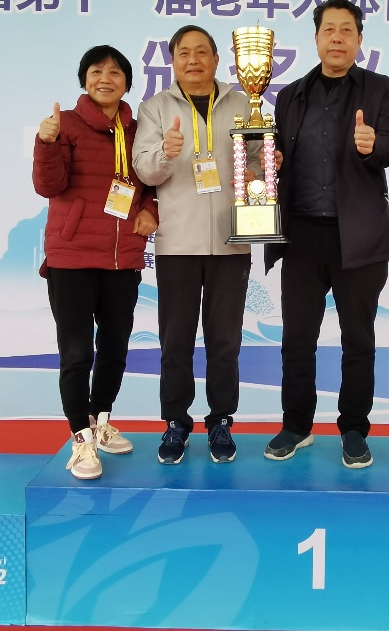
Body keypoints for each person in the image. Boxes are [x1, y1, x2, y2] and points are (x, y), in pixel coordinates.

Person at [262, 0, 389, 468]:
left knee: (358, 339)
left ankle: (354, 428)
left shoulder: (379, 89)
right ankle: (296, 425)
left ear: (360, 39)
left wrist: (373, 144)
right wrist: (272, 162)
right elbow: (278, 156)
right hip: (302, 234)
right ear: (316, 38)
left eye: (346, 30)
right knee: (297, 338)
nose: (337, 37)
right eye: (329, 29)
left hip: (358, 236)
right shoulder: (290, 95)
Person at [133, 25, 259, 465]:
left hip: (231, 240)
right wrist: (166, 152)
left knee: (225, 340)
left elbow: (258, 162)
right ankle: (176, 422)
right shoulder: (154, 108)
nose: (193, 60)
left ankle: (221, 419)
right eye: (183, 52)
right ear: (172, 61)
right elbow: (145, 171)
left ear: (216, 59)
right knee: (176, 341)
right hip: (177, 243)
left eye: (201, 52)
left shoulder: (244, 104)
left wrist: (265, 165)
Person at [33, 45, 158, 480]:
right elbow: (49, 185)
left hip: (122, 258)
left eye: (115, 72)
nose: (105, 78)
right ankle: (80, 439)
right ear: (84, 79)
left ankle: (100, 421)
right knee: (77, 352)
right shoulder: (65, 124)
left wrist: (151, 211)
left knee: (115, 348)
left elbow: (151, 183)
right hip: (71, 257)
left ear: (127, 82)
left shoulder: (138, 130)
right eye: (96, 71)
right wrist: (46, 142)